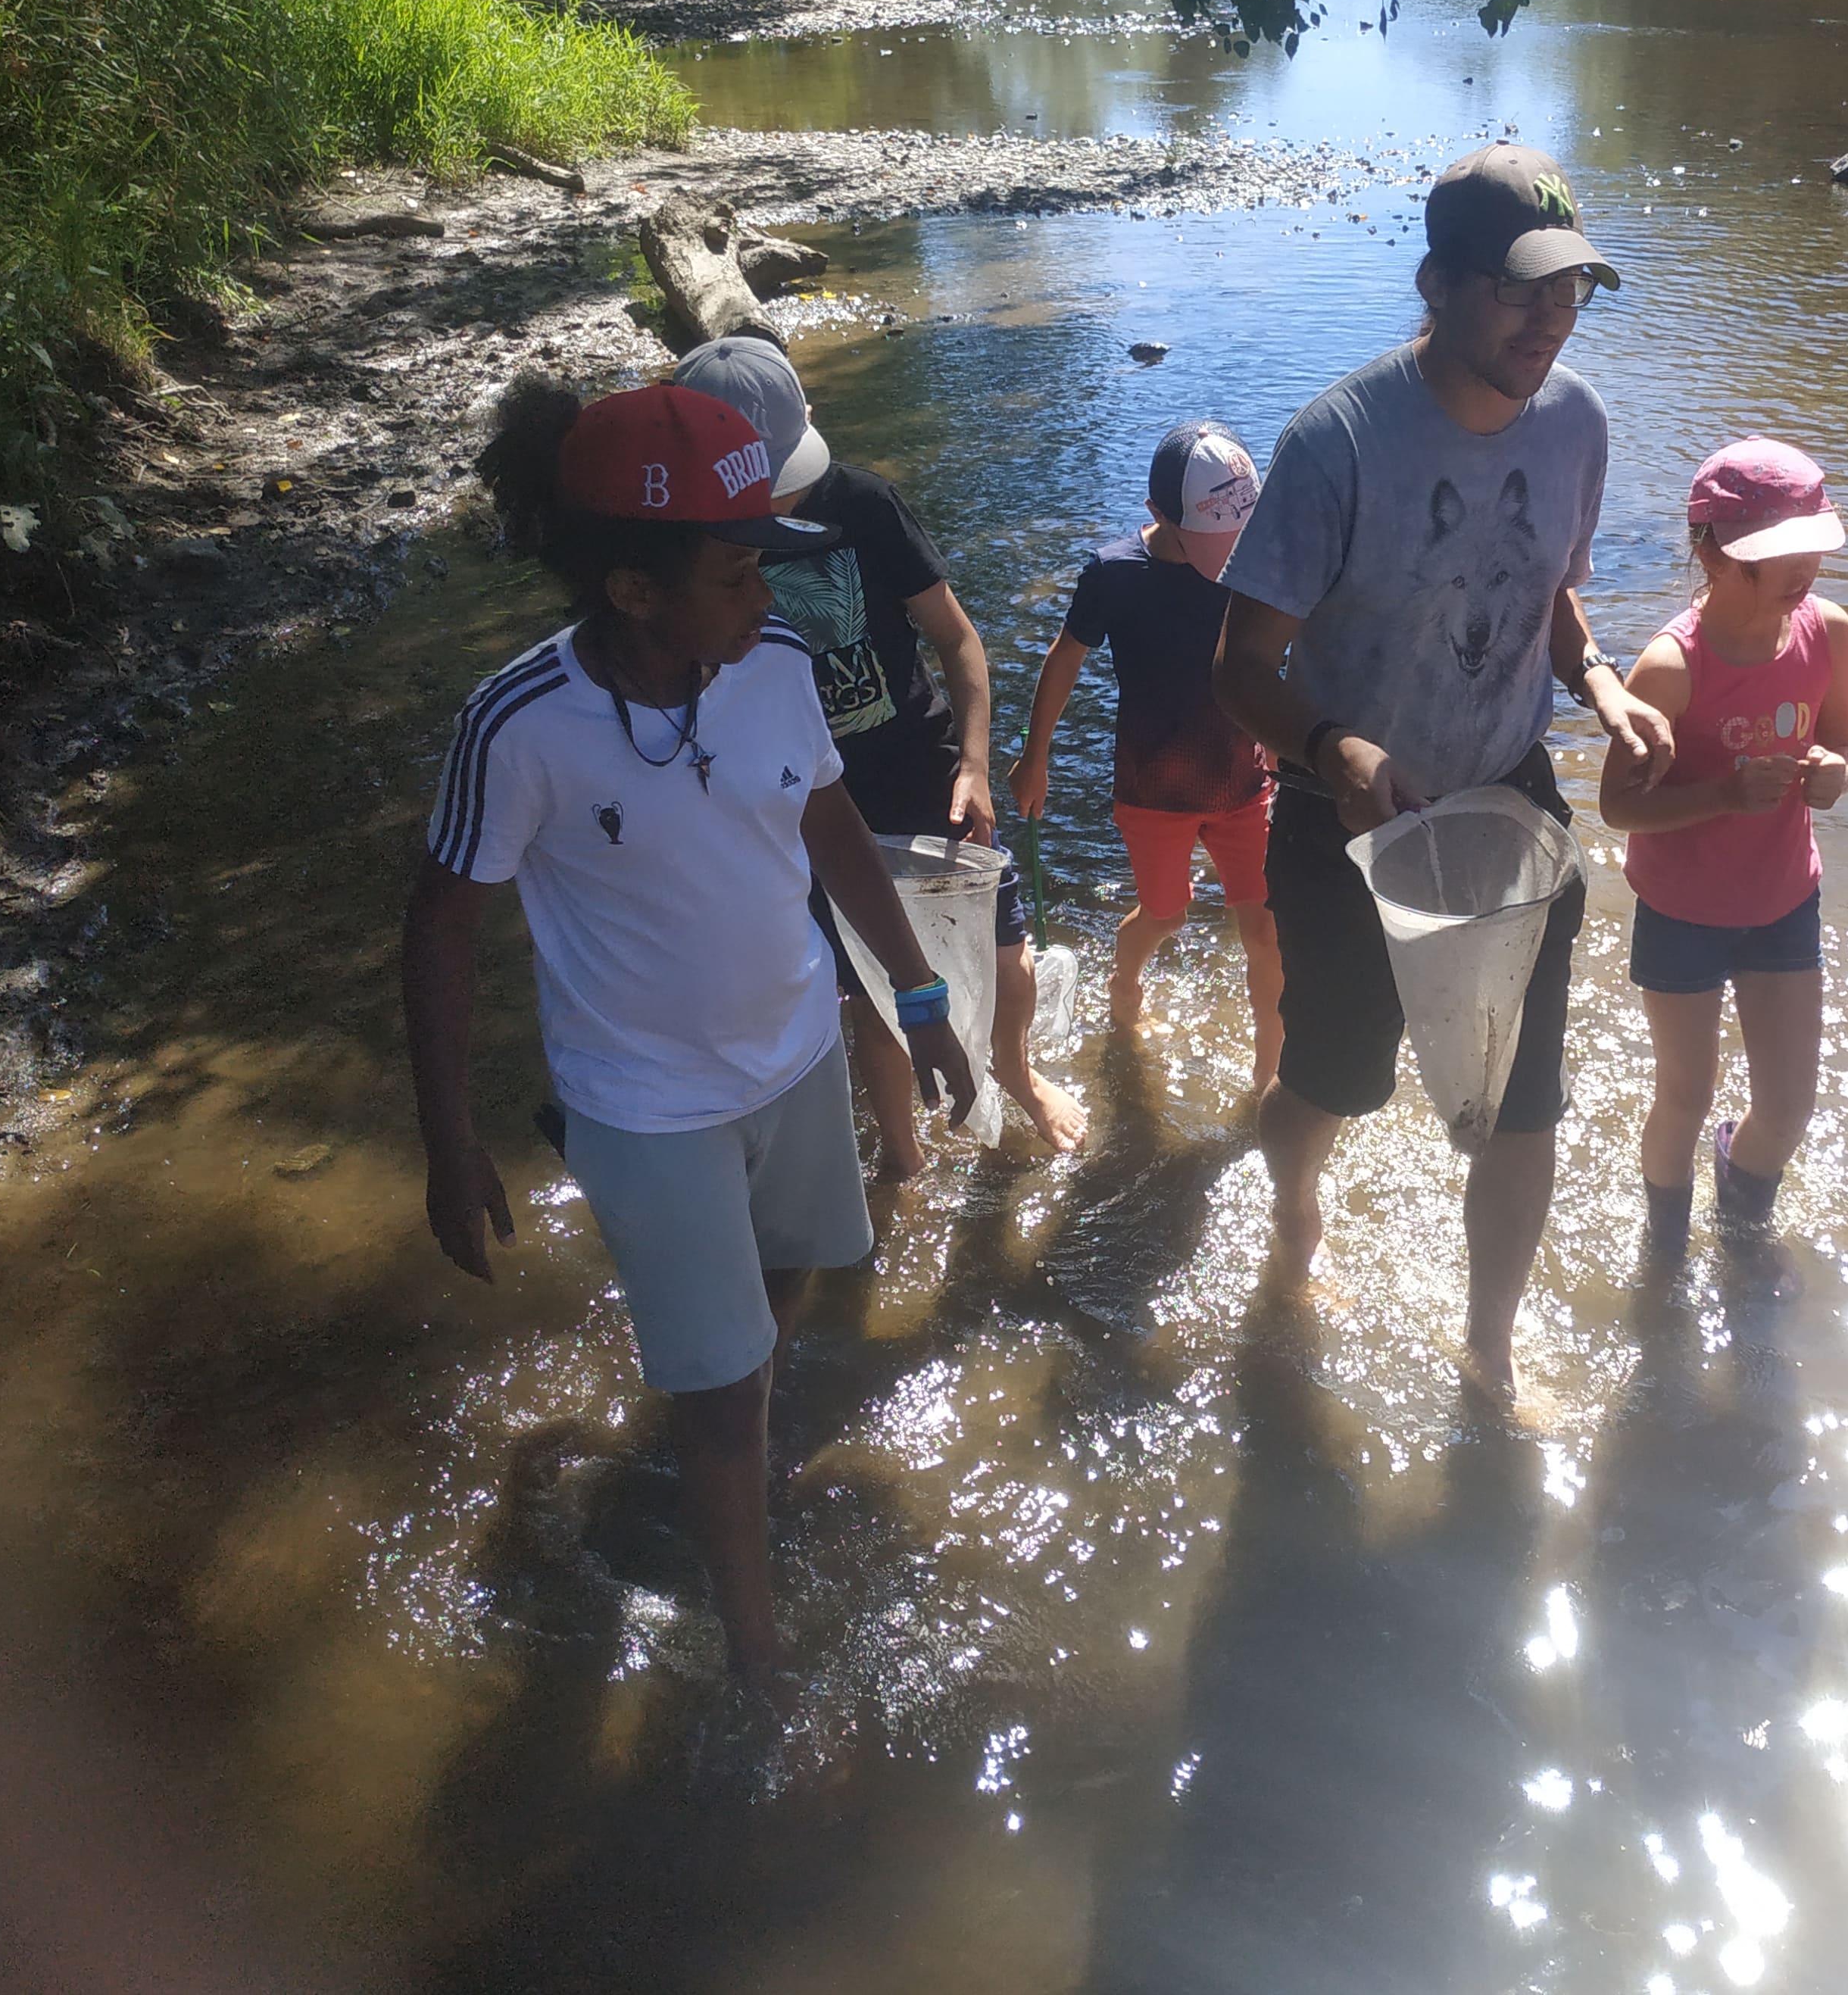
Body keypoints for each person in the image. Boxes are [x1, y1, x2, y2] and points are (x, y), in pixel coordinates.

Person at [401, 379, 978, 1691]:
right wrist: (451, 1143)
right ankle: (759, 1659)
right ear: (634, 591)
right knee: (726, 1400)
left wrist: (919, 994)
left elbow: (829, 825)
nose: (767, 602)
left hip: (797, 1055)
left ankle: (725, 1418)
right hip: (645, 1106)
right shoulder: (519, 726)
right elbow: (439, 930)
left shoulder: (770, 669)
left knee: (784, 1297)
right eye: (736, 575)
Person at [1214, 140, 1675, 1402]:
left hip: (1508, 796)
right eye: (1521, 289)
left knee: (1525, 1103)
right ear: (1437, 286)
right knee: (1333, 1082)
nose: (1550, 318)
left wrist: (1605, 684)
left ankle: (1486, 1344)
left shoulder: (1577, 417)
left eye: (1570, 289)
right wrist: (1331, 744)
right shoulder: (1339, 444)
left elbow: (1553, 597)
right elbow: (1240, 664)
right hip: (1345, 816)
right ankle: (1294, 1210)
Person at [670, 333, 1088, 1171]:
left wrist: (973, 762)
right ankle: (901, 1153)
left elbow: (958, 642)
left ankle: (1015, 1068)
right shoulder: (691, 550)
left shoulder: (862, 504)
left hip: (920, 770)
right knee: (872, 983)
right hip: (802, 803)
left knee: (1005, 955)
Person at [1598, 439, 1848, 1267]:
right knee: (1685, 1091)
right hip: (1681, 910)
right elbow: (1615, 806)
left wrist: (1835, 776)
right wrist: (1720, 794)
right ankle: (1665, 1241)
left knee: (1788, 1105)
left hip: (1783, 898)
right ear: (1710, 551)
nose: (1801, 567)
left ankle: (1740, 1220)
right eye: (1774, 554)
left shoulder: (1829, 632)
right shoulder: (1672, 666)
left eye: (1809, 544)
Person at [1010, 419, 1285, 1090]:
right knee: (1166, 913)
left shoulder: (1252, 556)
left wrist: (1288, 743)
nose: (1227, 552)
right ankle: (1124, 982)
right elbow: (1066, 656)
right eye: (1210, 536)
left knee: (1266, 931)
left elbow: (1281, 653)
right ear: (1158, 514)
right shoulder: (1114, 574)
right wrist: (1035, 757)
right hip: (1152, 791)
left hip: (1244, 781)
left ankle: (1271, 1081)